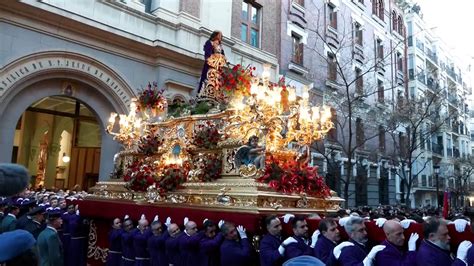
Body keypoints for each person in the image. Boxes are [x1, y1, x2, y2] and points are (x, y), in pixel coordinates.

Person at [198, 30, 227, 101]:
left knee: (218, 80)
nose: (220, 37)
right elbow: (207, 52)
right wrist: (212, 58)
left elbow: (223, 54)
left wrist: (222, 58)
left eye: (221, 36)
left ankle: (217, 94)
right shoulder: (209, 42)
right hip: (211, 64)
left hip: (218, 65)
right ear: (215, 35)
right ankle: (203, 92)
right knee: (207, 78)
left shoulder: (220, 46)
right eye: (219, 35)